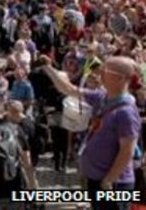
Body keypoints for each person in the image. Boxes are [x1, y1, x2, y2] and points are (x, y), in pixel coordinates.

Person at [43, 55, 140, 208]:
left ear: (121, 79)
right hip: (97, 180)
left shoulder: (126, 112)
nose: (98, 74)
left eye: (105, 71)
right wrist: (48, 68)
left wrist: (109, 179)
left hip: (114, 185)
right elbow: (69, 89)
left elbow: (127, 151)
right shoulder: (102, 97)